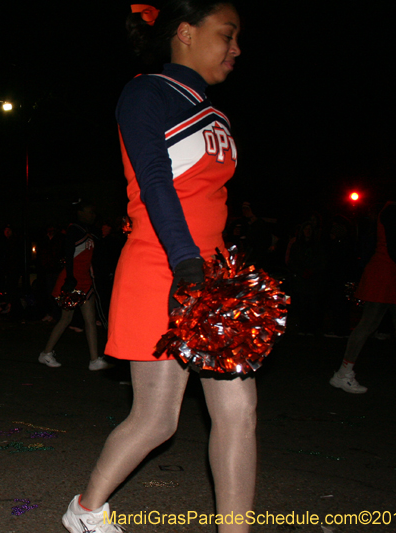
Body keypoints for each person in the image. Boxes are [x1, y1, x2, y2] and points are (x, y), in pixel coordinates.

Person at [61, 3, 254, 532]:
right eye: (227, 35)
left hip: (211, 272)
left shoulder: (215, 113)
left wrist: (218, 270)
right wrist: (187, 266)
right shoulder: (147, 93)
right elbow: (155, 181)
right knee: (156, 420)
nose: (236, 48)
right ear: (186, 32)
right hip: (163, 265)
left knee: (238, 408)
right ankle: (85, 511)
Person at [330, 188, 396, 397]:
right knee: (369, 324)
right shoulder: (393, 211)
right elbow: (393, 249)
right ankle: (343, 373)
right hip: (384, 274)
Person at [38, 201, 111, 371]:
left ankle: (94, 360)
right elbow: (69, 256)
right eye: (90, 212)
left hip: (85, 280)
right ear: (80, 212)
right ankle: (45, 353)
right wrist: (70, 279)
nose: (93, 215)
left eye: (94, 212)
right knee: (66, 319)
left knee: (90, 320)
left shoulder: (89, 231)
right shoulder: (74, 230)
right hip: (72, 280)